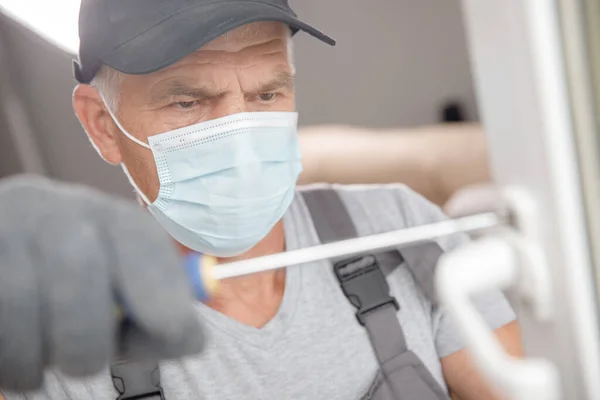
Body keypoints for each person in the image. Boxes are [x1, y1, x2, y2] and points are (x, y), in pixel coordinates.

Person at [2, 0, 521, 399]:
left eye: (266, 95)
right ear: (102, 125)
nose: (241, 139)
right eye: (187, 101)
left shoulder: (402, 227)